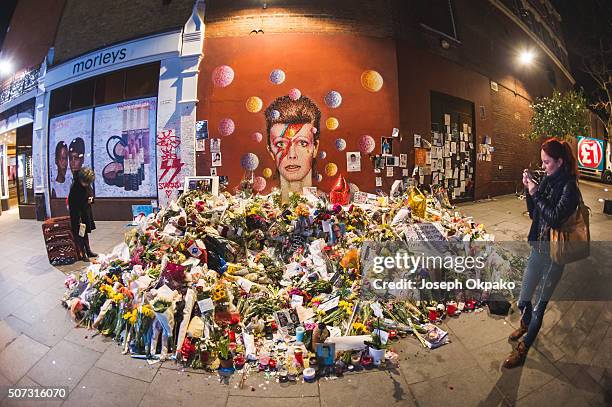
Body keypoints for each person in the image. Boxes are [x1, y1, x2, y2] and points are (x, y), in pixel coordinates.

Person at [503, 137, 581, 369]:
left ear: (559, 161)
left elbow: (555, 218)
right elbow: (534, 212)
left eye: (547, 162)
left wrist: (536, 192)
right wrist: (530, 190)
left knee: (539, 305)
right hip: (538, 248)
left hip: (554, 256)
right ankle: (526, 324)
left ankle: (524, 347)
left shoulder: (570, 187)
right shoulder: (547, 180)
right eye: (542, 162)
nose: (544, 166)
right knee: (523, 298)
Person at [265, 95, 321, 202]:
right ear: (271, 151)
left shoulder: (329, 206)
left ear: (315, 148)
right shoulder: (262, 206)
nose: (291, 155)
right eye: (281, 144)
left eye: (302, 143)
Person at [68, 167, 97, 262]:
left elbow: (91, 193)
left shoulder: (86, 184)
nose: (87, 185)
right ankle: (83, 253)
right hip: (77, 214)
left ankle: (88, 251)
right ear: (81, 179)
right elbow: (73, 204)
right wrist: (78, 218)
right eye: (86, 183)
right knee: (80, 234)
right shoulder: (75, 187)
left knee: (85, 232)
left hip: (85, 211)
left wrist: (91, 199)